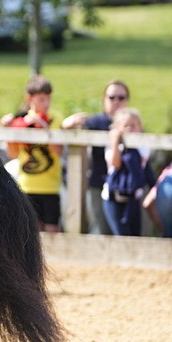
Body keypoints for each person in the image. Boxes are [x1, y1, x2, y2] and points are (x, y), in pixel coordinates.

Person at [62, 79, 130, 234]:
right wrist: (66, 125)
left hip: (127, 187)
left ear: (127, 100)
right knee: (99, 230)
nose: (116, 102)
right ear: (104, 99)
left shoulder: (133, 122)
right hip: (99, 184)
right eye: (112, 97)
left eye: (121, 98)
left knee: (125, 232)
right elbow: (71, 130)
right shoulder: (96, 121)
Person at [5, 75, 63, 232]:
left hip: (50, 186)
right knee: (31, 231)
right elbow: (13, 153)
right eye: (41, 99)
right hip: (27, 186)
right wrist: (9, 131)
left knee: (52, 230)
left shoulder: (55, 118)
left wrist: (44, 128)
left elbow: (58, 151)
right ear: (29, 98)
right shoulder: (21, 121)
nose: (46, 104)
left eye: (48, 99)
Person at [101, 107, 152, 236]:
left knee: (135, 235)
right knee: (121, 234)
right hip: (113, 196)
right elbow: (116, 163)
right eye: (125, 126)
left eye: (133, 126)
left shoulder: (143, 145)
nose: (129, 129)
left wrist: (129, 147)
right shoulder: (112, 145)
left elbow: (139, 162)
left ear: (139, 127)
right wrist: (115, 142)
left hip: (133, 197)